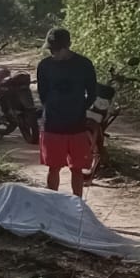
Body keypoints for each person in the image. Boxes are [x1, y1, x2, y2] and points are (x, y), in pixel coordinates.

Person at [35, 27, 97, 197]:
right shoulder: (45, 66)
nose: (55, 53)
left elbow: (92, 92)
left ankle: (77, 206)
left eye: (58, 49)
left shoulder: (84, 64)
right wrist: (54, 108)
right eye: (52, 49)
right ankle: (52, 204)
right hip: (52, 125)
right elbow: (43, 94)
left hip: (76, 125)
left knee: (77, 169)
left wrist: (79, 108)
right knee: (53, 168)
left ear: (68, 45)